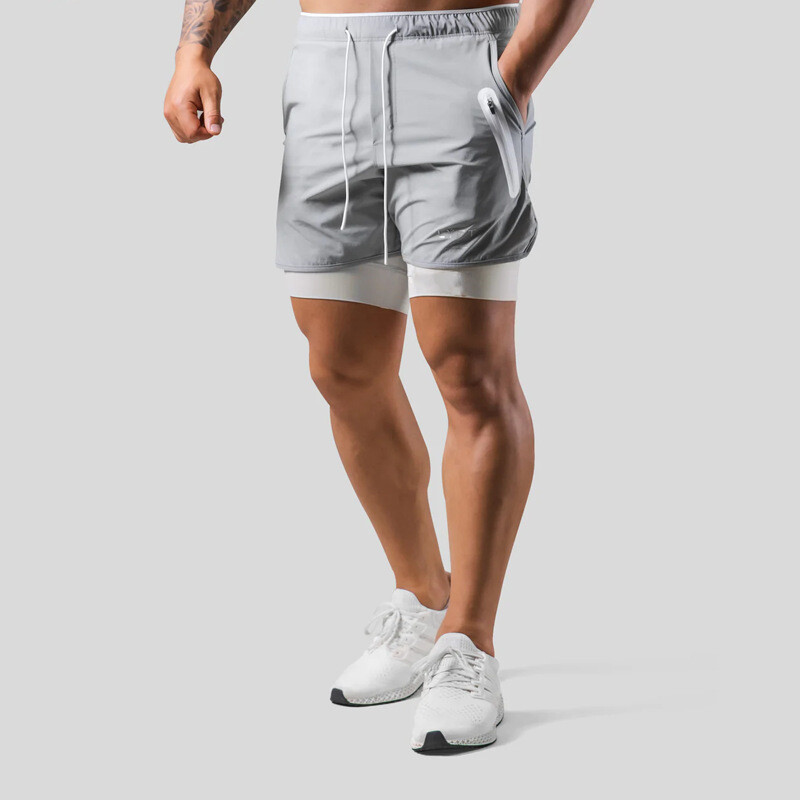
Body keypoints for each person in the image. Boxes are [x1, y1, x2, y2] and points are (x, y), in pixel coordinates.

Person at [165, 0, 593, 754]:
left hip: (463, 64)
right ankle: (425, 596)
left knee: (469, 369)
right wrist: (192, 52)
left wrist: (518, 74)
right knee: (342, 365)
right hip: (326, 69)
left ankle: (470, 640)